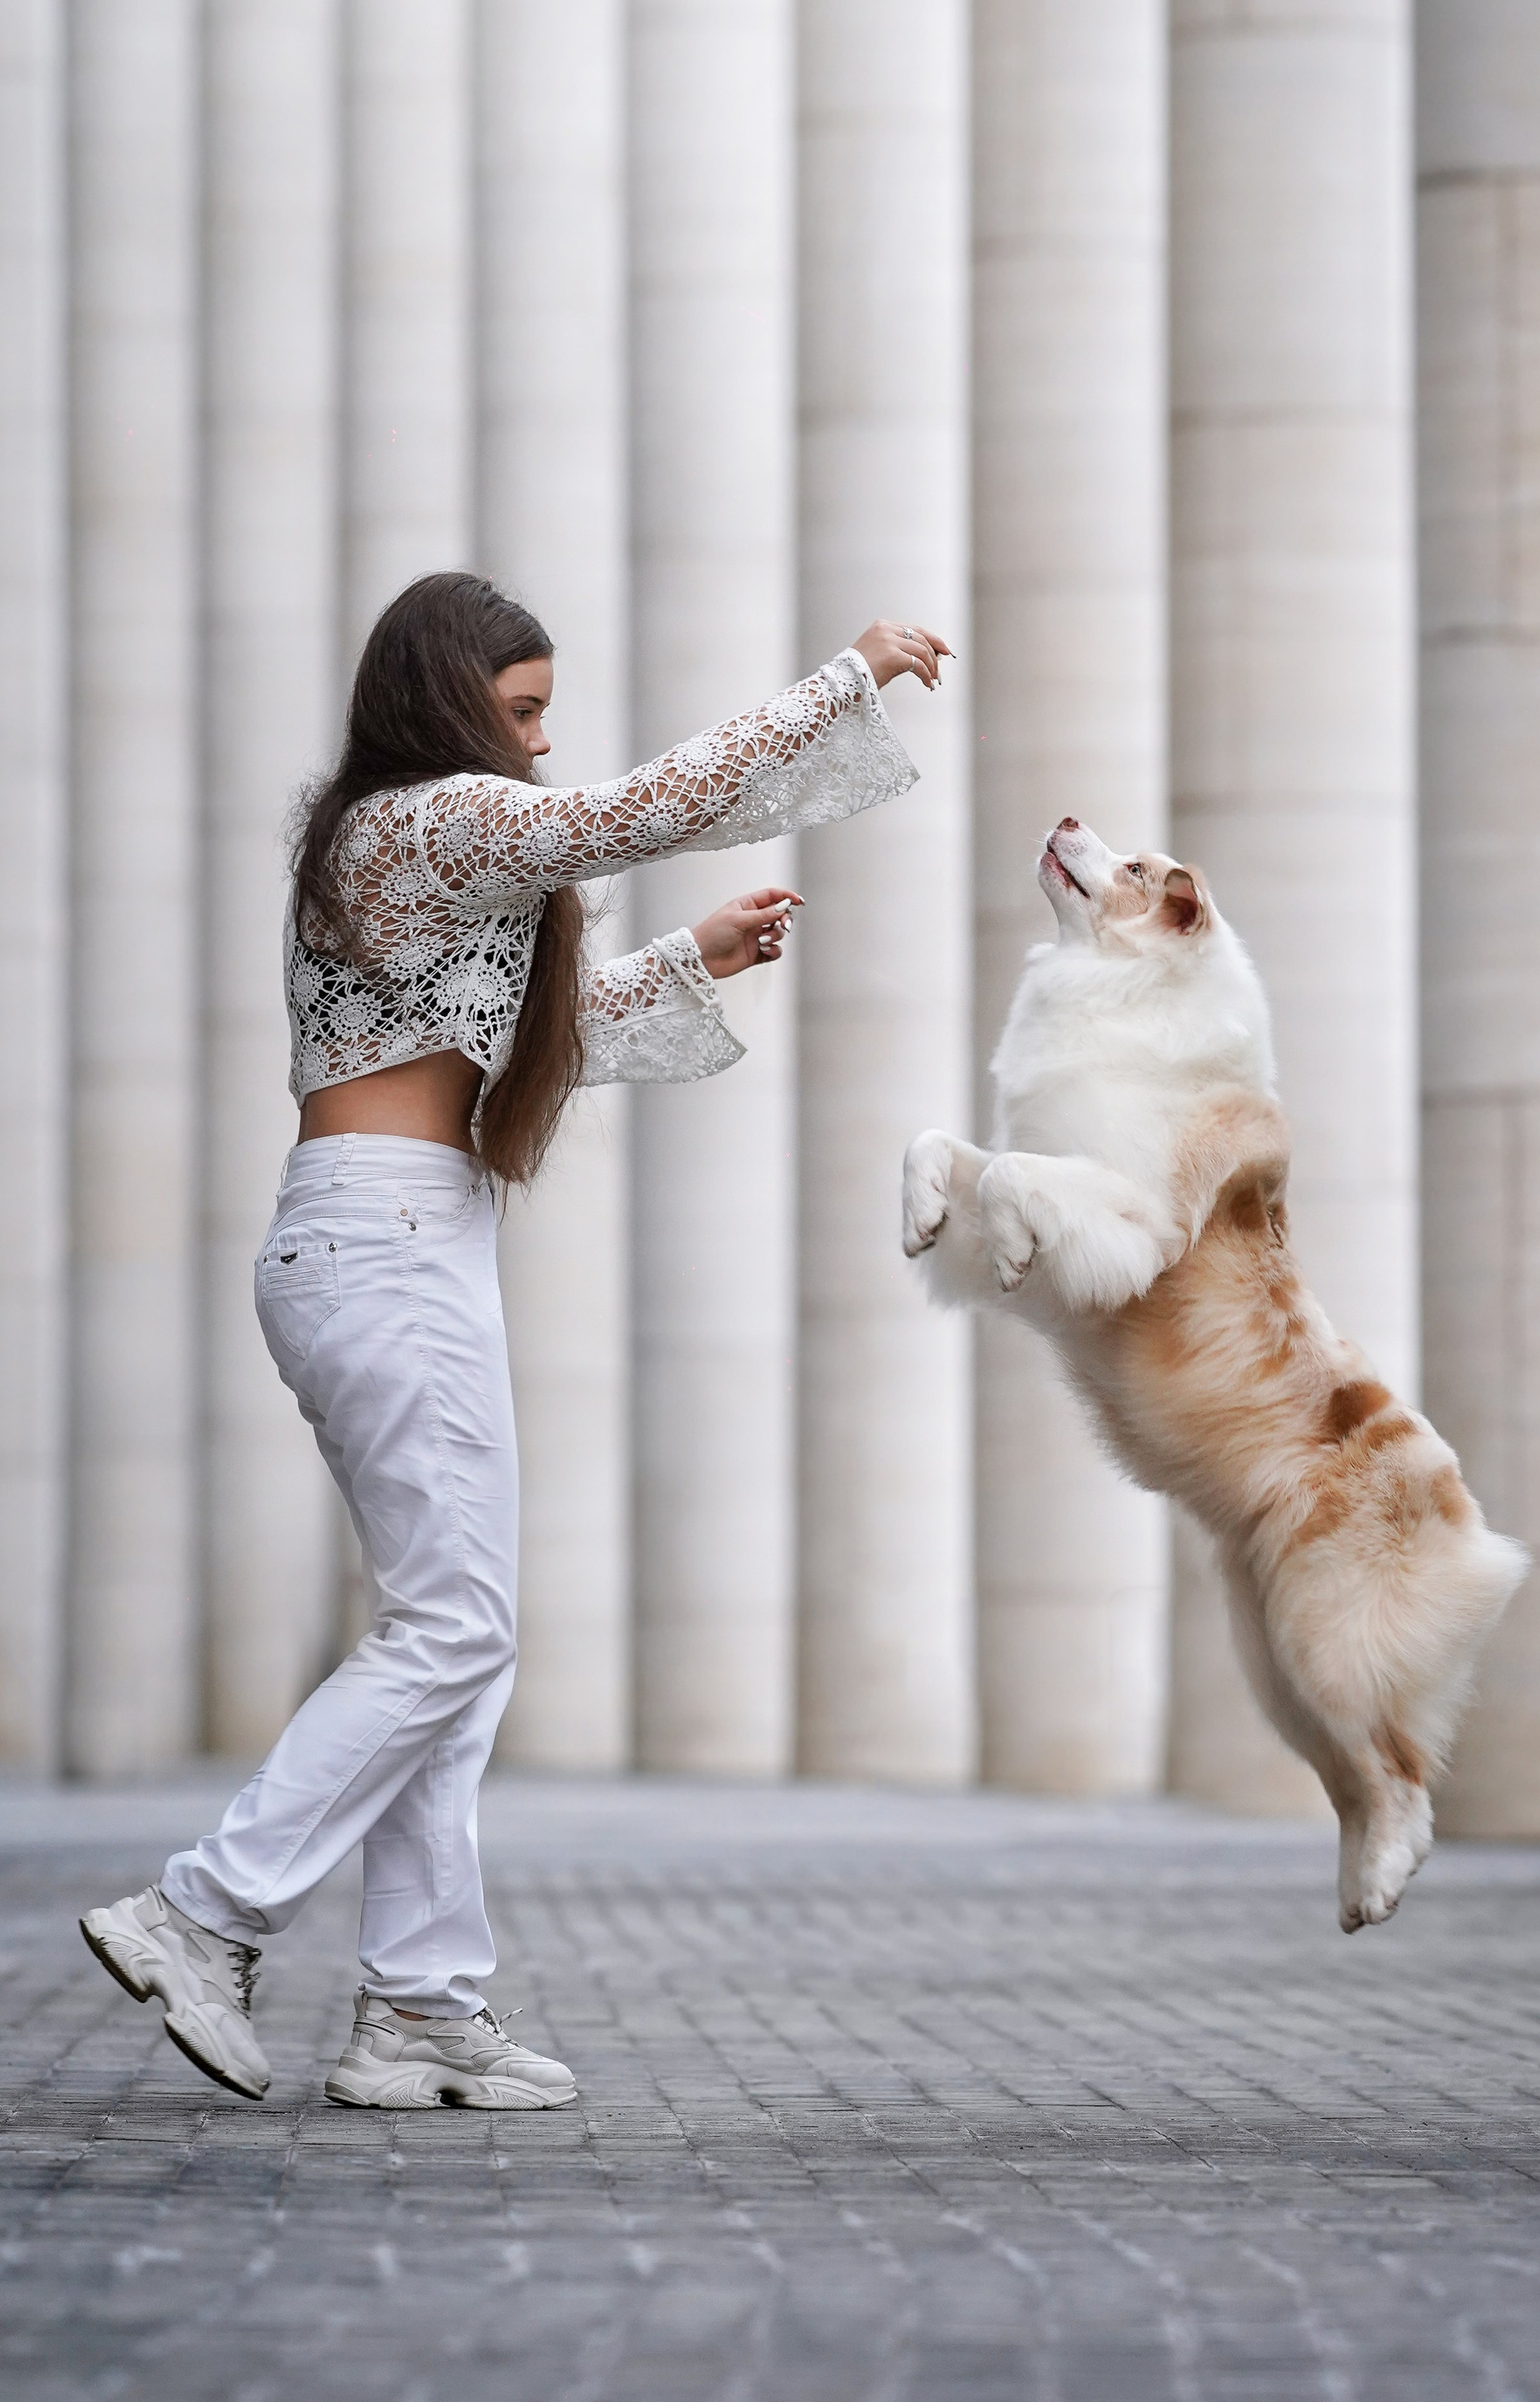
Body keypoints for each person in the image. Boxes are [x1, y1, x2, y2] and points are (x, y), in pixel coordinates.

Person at [80, 572, 947, 2111]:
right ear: (449, 699)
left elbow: (474, 1055)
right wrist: (846, 679)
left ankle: (416, 2005)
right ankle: (202, 1912)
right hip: (385, 1240)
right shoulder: (422, 818)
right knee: (455, 1630)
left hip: (399, 1233)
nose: (538, 749)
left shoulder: (402, 842)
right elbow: (638, 807)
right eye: (522, 712)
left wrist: (687, 965)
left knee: (456, 1643)